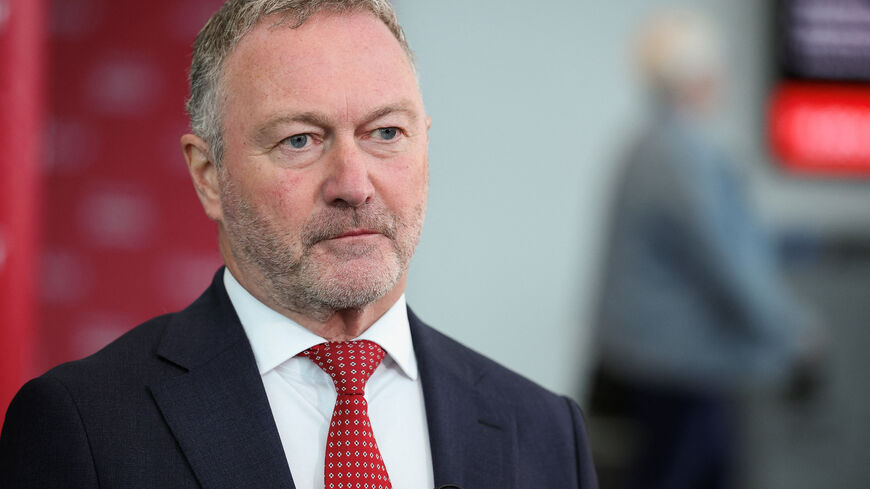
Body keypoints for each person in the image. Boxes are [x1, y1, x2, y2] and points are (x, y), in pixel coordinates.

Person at [0, 1, 598, 488]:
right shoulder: (84, 428)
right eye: (300, 141)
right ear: (209, 174)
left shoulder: (545, 432)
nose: (354, 185)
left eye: (386, 133)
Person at [591, 9, 820, 489]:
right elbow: (730, 263)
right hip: (682, 371)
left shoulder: (645, 145)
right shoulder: (685, 154)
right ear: (698, 77)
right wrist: (795, 335)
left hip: (648, 364)